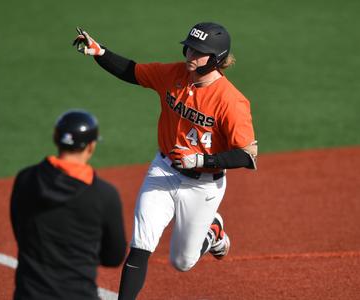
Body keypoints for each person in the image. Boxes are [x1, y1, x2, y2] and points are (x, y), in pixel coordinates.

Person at [73, 22, 258, 299]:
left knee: (183, 262)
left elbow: (247, 154)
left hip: (203, 186)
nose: (190, 56)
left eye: (199, 52)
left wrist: (200, 160)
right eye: (189, 48)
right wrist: (100, 52)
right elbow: (133, 71)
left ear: (217, 59)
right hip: (163, 171)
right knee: (140, 244)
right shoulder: (174, 74)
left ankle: (214, 231)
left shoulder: (231, 101)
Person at [10, 109, 127, 300]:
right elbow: (113, 257)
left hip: (28, 294)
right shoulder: (104, 195)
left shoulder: (25, 179)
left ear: (56, 139)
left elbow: (19, 230)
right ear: (91, 146)